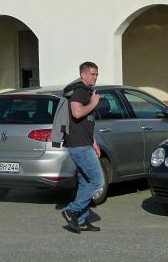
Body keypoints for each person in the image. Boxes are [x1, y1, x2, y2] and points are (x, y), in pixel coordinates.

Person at [60, 61, 103, 233]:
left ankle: (82, 220)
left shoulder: (86, 91)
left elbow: (85, 123)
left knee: (86, 183)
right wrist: (93, 103)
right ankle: (72, 210)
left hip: (85, 143)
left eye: (97, 74)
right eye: (92, 74)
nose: (95, 77)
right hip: (78, 145)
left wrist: (94, 142)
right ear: (83, 74)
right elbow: (77, 113)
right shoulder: (79, 91)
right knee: (97, 180)